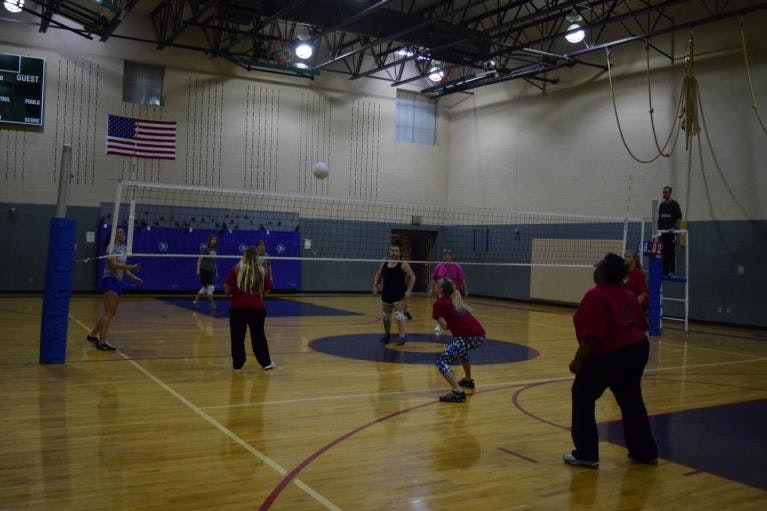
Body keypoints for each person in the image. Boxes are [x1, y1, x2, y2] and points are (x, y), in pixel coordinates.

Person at [563, 253, 657, 469]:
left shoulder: (595, 296)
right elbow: (641, 325)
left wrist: (578, 362)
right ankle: (645, 452)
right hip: (638, 349)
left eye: (598, 268)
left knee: (582, 395)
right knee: (631, 399)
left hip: (613, 353)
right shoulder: (627, 295)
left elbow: (592, 337)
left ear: (603, 273)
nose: (594, 271)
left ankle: (586, 454)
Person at [87, 227, 143, 351]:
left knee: (111, 313)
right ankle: (102, 342)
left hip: (118, 281)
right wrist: (132, 266)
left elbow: (123, 268)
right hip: (109, 279)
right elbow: (112, 265)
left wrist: (133, 277)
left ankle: (92, 335)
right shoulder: (111, 247)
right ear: (114, 235)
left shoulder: (123, 248)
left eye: (124, 232)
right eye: (120, 232)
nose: (123, 234)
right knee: (109, 313)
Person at [433, 277, 486, 403]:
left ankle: (458, 392)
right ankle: (468, 380)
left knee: (441, 362)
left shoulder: (439, 304)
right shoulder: (455, 300)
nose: (435, 284)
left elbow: (445, 327)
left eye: (437, 283)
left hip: (466, 336)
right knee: (462, 351)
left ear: (440, 289)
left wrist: (444, 321)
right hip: (480, 335)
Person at [224, 245, 276, 372]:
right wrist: (259, 297)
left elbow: (226, 287)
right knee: (258, 336)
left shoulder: (236, 269)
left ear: (244, 256)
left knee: (237, 336)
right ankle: (265, 363)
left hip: (238, 308)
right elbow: (269, 287)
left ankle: (238, 365)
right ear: (256, 257)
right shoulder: (261, 271)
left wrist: (231, 294)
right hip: (256, 309)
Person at [373, 245, 415, 345]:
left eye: (397, 250)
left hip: (399, 293)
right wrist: (375, 285)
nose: (394, 252)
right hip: (386, 292)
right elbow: (378, 274)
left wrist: (409, 290)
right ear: (389, 251)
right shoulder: (384, 263)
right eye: (392, 250)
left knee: (399, 315)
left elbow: (412, 276)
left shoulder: (403, 264)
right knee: (386, 316)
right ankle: (387, 335)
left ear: (399, 253)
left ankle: (402, 337)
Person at [431, 249, 468, 334]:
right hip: (442, 291)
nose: (446, 257)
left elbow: (462, 279)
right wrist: (431, 288)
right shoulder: (439, 266)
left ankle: (458, 324)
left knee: (455, 308)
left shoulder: (457, 266)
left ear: (452, 257)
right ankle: (439, 325)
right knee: (440, 308)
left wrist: (466, 290)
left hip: (454, 292)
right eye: (445, 255)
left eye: (448, 256)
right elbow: (433, 278)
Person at [657, 186, 682, 275]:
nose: (664, 194)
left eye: (666, 192)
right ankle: (665, 271)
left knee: (671, 252)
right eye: (663, 192)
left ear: (670, 193)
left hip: (671, 233)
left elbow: (679, 218)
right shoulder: (661, 205)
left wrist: (674, 228)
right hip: (663, 233)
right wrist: (658, 228)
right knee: (664, 252)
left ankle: (672, 271)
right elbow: (659, 218)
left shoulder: (675, 204)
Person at [194, 234, 219, 309]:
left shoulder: (214, 249)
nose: (214, 241)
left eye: (215, 239)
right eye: (212, 239)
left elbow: (214, 261)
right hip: (204, 270)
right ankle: (212, 304)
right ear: (209, 240)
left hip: (211, 271)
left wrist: (216, 271)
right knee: (210, 287)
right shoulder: (206, 249)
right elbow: (200, 259)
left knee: (204, 288)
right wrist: (198, 269)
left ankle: (195, 302)